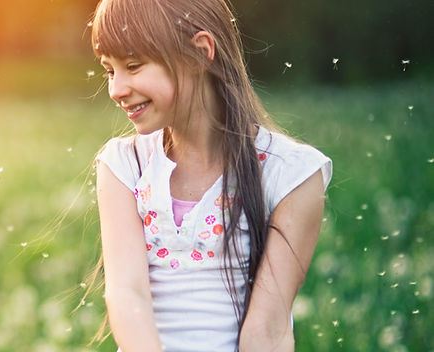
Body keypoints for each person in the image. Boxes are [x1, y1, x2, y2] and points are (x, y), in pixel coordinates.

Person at [83, 0, 332, 350]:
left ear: (199, 54)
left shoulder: (290, 173)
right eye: (110, 71)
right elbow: (127, 295)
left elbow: (268, 329)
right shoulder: (125, 165)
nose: (116, 89)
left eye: (133, 66)